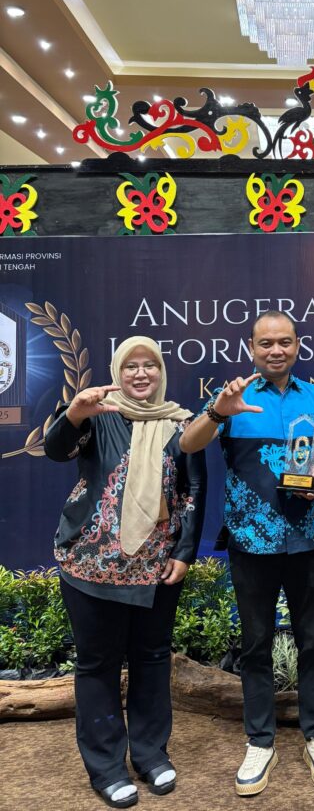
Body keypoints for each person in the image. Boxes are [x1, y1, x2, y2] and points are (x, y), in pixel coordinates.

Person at [180, 310, 314, 796]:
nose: (276, 350)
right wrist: (218, 412)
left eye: (285, 342)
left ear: (297, 345)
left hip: (307, 537)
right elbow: (187, 442)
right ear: (251, 348)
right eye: (266, 343)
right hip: (250, 541)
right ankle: (260, 740)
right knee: (255, 644)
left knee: (313, 641)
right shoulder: (230, 396)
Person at [44, 336, 206, 810]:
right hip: (90, 566)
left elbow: (193, 489)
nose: (140, 373)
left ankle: (151, 754)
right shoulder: (96, 414)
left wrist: (185, 551)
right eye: (131, 365)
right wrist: (74, 413)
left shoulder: (180, 422)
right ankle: (107, 767)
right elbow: (57, 450)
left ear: (161, 372)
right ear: (118, 370)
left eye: (149, 365)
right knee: (98, 665)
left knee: (152, 659)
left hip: (157, 567)